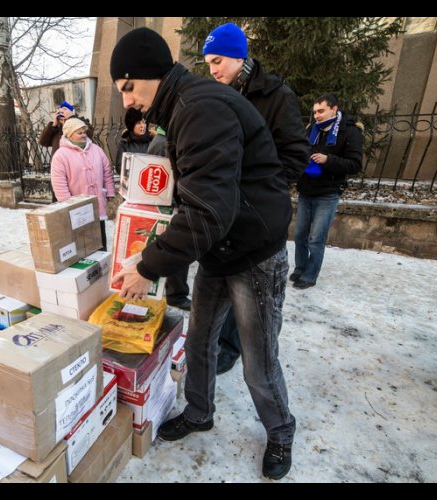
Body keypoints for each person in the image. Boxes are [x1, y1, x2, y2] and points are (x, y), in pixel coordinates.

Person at [109, 27, 296, 480]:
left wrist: (150, 265)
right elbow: (196, 194)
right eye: (122, 92)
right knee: (199, 340)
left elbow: (209, 210)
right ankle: (198, 412)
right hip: (220, 248)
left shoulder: (200, 107)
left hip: (253, 252)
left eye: (129, 87)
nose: (128, 101)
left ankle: (280, 431)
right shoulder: (182, 107)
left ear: (152, 72)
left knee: (258, 358)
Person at [202, 22, 311, 374]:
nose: (213, 69)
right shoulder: (217, 93)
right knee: (223, 279)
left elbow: (295, 154)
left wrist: (265, 192)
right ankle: (218, 343)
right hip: (224, 207)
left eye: (217, 60)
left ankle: (232, 347)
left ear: (238, 56)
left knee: (250, 284)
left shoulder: (276, 95)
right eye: (208, 64)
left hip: (258, 214)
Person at [292, 93, 363, 289]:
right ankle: (300, 268)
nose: (317, 116)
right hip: (306, 190)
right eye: (315, 112)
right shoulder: (312, 130)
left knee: (316, 238)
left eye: (321, 111)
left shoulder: (350, 132)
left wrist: (328, 160)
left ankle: (310, 275)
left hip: (328, 192)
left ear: (334, 109)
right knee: (299, 235)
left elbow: (355, 164)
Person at [50, 118, 116, 252]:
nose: (84, 135)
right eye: (79, 132)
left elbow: (107, 172)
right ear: (69, 134)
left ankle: (101, 266)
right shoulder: (60, 155)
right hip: (77, 209)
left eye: (84, 132)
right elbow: (59, 183)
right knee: (82, 244)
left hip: (97, 204)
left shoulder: (96, 150)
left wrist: (109, 192)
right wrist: (68, 204)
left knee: (100, 240)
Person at [147, 125, 192, 312]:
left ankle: (175, 292)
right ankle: (176, 294)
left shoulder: (162, 140)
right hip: (170, 205)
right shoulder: (161, 143)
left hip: (172, 204)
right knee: (176, 249)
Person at [39, 101, 94, 202]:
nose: (62, 115)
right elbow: (43, 141)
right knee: (61, 202)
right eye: (60, 112)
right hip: (60, 171)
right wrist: (53, 125)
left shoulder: (82, 122)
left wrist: (72, 119)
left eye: (65, 111)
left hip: (77, 173)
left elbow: (88, 134)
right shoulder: (57, 129)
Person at [115, 107, 151, 174]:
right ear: (131, 125)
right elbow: (120, 168)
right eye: (138, 123)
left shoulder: (152, 141)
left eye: (144, 122)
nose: (142, 126)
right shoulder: (124, 143)